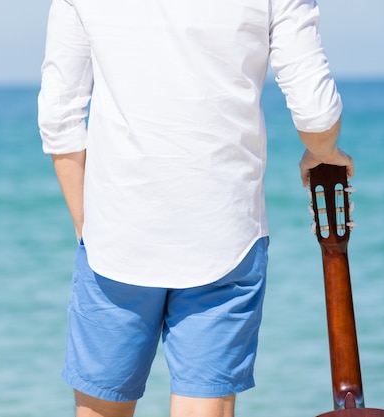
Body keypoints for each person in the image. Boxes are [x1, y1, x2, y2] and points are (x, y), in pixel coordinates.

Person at [37, 0, 354, 416]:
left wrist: (88, 227)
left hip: (115, 238)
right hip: (225, 237)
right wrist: (322, 150)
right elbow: (315, 114)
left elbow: (59, 117)